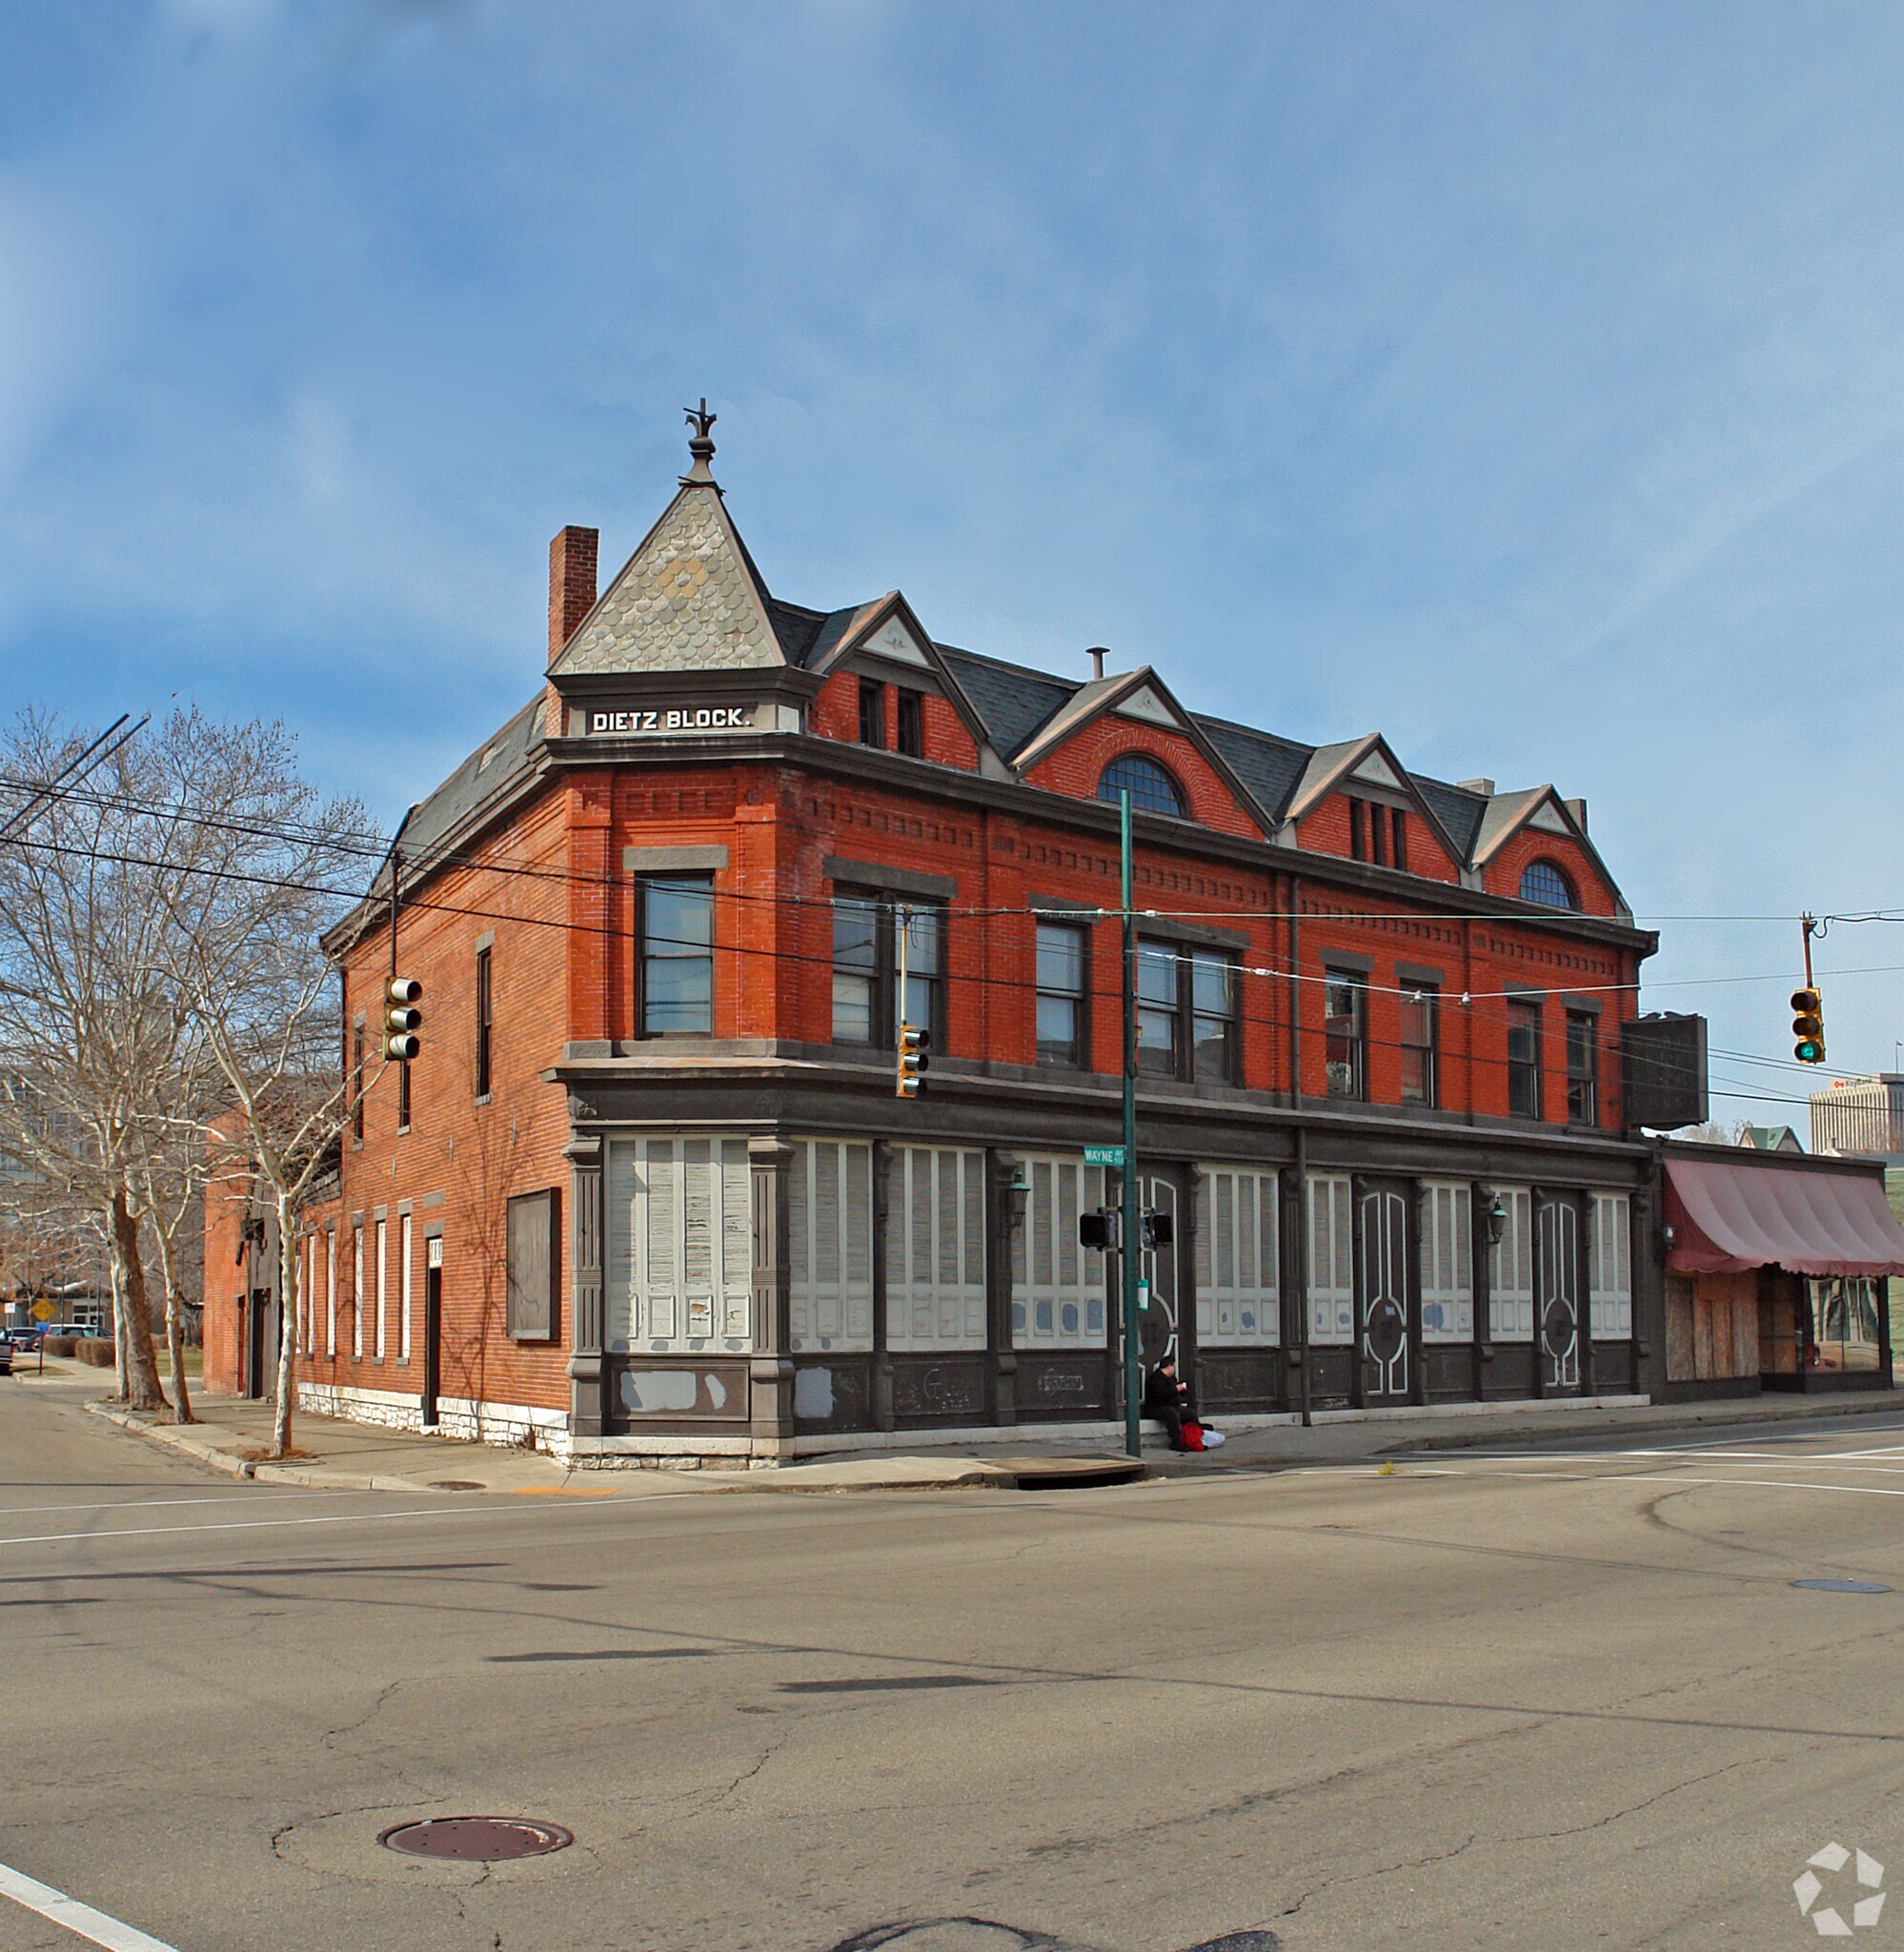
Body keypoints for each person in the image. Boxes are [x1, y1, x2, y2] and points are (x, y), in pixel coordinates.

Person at [1143, 1355, 1224, 1453]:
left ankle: (1196, 1431)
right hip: (1156, 1407)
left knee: (1190, 1413)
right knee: (1172, 1415)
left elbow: (1174, 1395)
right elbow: (1160, 1394)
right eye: (1173, 1366)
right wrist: (1175, 1389)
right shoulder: (1155, 1378)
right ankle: (1176, 1442)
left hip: (1171, 1405)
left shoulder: (1172, 1379)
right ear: (1169, 1366)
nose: (1174, 1369)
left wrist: (1181, 1391)